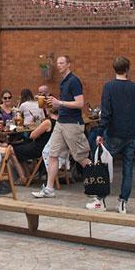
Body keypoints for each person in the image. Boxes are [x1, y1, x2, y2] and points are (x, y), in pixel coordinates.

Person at [91, 56, 135, 213]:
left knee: (103, 164)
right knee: (128, 168)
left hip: (114, 132)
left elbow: (106, 112)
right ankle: (123, 202)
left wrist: (100, 132)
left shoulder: (109, 87)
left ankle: (101, 200)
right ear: (128, 69)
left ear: (114, 69)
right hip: (132, 133)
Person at [33, 55, 92, 199]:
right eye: (58, 63)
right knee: (52, 154)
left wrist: (60, 103)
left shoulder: (74, 81)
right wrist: (51, 103)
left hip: (72, 124)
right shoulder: (64, 82)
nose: (59, 65)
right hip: (61, 122)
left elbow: (80, 103)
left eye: (62, 63)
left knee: (81, 157)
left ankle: (98, 183)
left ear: (68, 64)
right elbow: (61, 103)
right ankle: (49, 188)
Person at [10, 109, 56, 184]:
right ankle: (28, 175)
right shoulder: (61, 122)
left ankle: (23, 177)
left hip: (41, 149)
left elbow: (32, 135)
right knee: (21, 147)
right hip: (51, 149)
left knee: (12, 149)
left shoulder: (48, 122)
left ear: (49, 110)